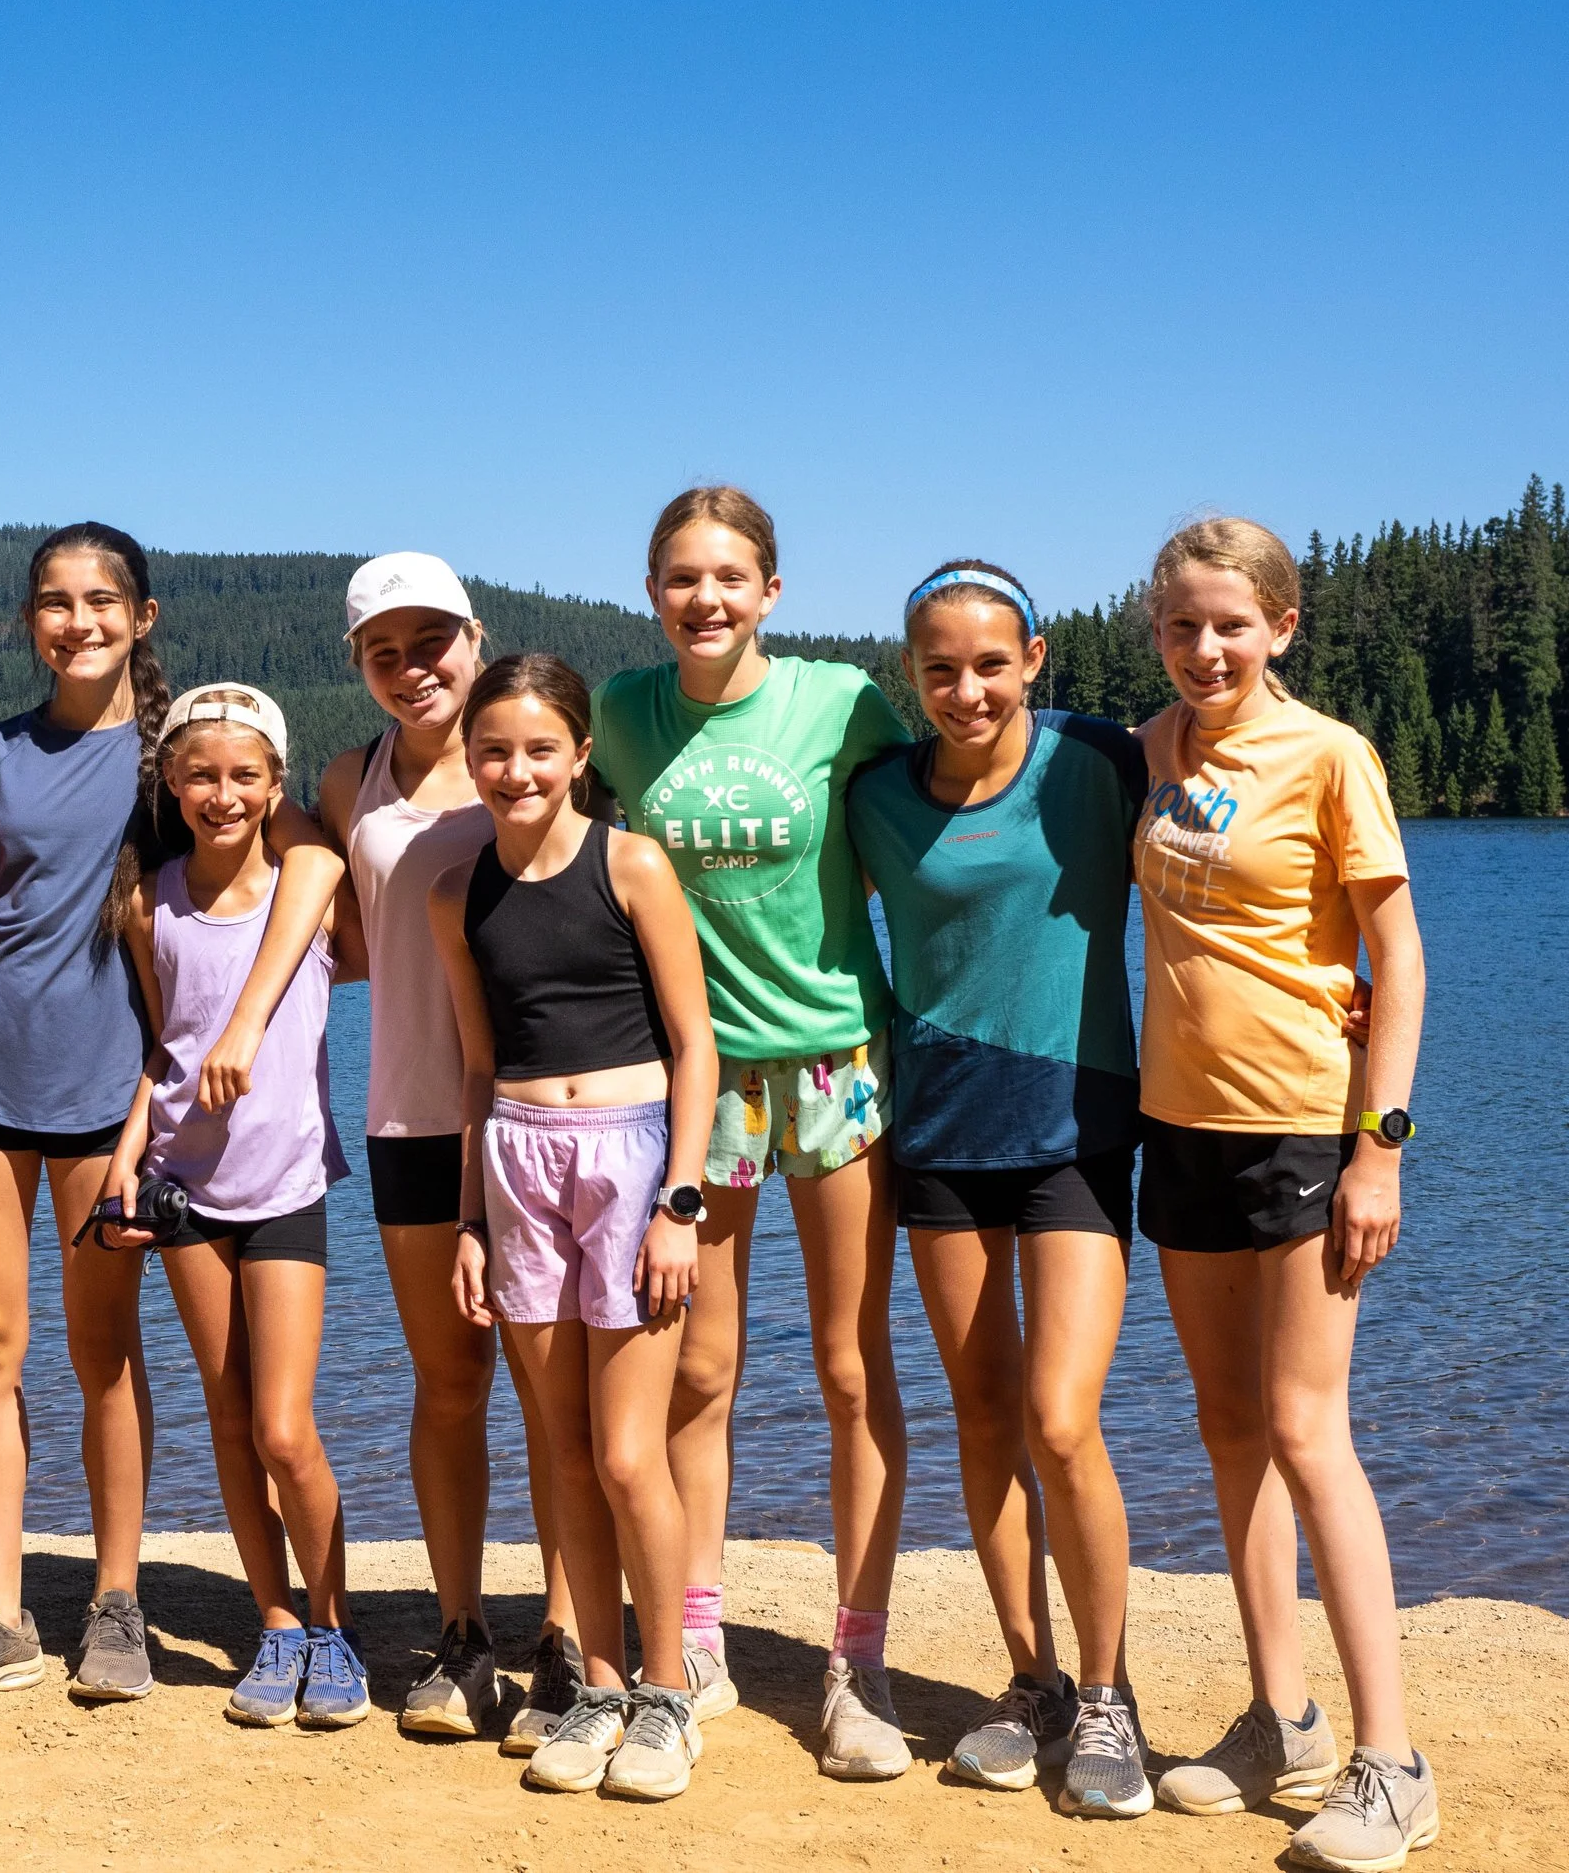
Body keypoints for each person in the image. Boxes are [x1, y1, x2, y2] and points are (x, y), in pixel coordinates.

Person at [0, 523, 342, 1713]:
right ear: (30, 620)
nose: (76, 622)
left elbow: (308, 861)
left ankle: (116, 1602)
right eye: (53, 603)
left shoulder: (173, 760)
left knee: (103, 1356)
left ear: (143, 617)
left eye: (99, 601)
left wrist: (240, 1031)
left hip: (108, 1103)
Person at [588, 486, 913, 1776]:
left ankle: (856, 1659)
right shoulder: (621, 713)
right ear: (653, 594)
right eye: (681, 579)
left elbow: (944, 817)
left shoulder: (840, 704)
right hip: (696, 1076)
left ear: (771, 590)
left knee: (847, 1367)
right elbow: (516, 791)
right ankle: (698, 1631)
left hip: (835, 1060)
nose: (705, 600)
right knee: (701, 1369)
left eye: (729, 577)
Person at [1133, 518, 1439, 1872]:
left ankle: (1396, 1760)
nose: (1207, 648)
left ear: (1281, 626)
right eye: (1183, 625)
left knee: (1313, 1430)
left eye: (1231, 625)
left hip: (1304, 1127)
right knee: (1226, 1422)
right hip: (1178, 1126)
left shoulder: (1328, 755)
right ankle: (1284, 1714)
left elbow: (1399, 954)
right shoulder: (1156, 748)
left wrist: (1381, 1145)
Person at [846, 562, 1154, 1812]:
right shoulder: (873, 798)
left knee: (1061, 1419)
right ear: (908, 674)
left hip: (1077, 1132)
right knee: (983, 1417)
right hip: (937, 1138)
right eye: (938, 667)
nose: (964, 689)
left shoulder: (1098, 761)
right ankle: (1031, 1683)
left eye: (988, 662)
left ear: (1035, 655)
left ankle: (1110, 1697)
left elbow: (1236, 852)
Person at [433, 654, 719, 1802]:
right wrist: (467, 1221)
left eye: (539, 748)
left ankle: (666, 1695)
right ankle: (596, 1686)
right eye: (493, 750)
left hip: (631, 1158)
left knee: (622, 1451)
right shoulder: (454, 894)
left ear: (580, 755)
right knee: (559, 1449)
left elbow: (696, 1044)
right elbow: (475, 1065)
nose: (516, 770)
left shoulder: (630, 864)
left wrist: (680, 1202)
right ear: (470, 759)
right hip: (516, 1164)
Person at [313, 551, 580, 1746]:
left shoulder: (525, 762)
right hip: (410, 1118)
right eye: (385, 649)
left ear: (475, 639)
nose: (412, 666)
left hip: (537, 1121)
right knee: (448, 1384)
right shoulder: (347, 783)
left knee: (549, 1389)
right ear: (362, 665)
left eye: (432, 642)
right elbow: (346, 939)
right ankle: (464, 1633)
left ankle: (568, 1640)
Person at [100, 683, 367, 1729]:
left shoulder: (313, 898)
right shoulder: (148, 902)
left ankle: (334, 1624)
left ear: (276, 784)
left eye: (245, 775)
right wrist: (125, 1165)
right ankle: (276, 1624)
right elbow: (160, 1055)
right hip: (183, 1189)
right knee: (225, 1413)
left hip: (288, 1185)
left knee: (284, 1426)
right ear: (170, 781)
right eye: (201, 775)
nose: (223, 794)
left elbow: (329, 875)